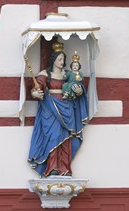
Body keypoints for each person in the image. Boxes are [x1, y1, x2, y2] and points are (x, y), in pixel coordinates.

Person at [28, 42, 88, 177]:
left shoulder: (67, 74)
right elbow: (38, 87)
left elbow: (76, 84)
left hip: (66, 107)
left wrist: (78, 91)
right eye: (59, 59)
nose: (62, 62)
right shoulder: (45, 74)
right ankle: (52, 167)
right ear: (53, 60)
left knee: (66, 138)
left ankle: (64, 168)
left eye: (63, 59)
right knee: (53, 136)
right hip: (50, 108)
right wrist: (35, 93)